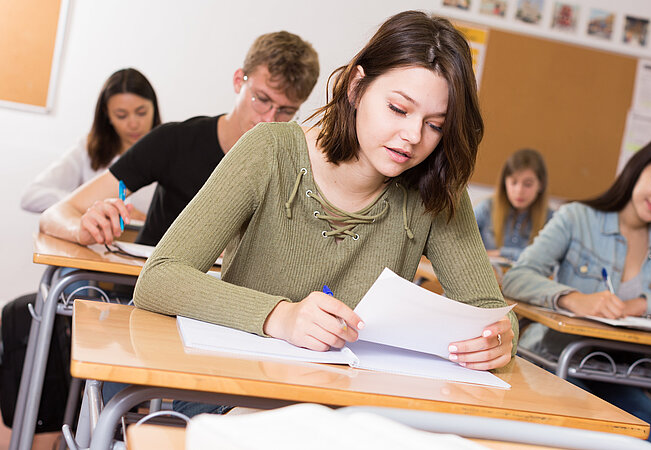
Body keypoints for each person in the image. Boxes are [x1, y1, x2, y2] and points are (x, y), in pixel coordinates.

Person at [133, 11, 517, 377]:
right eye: (398, 109)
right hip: (235, 382)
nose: (414, 137)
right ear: (356, 87)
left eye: (435, 125)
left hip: (348, 402)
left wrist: (500, 338)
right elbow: (160, 277)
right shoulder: (270, 150)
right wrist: (280, 317)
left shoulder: (433, 188)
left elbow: (491, 310)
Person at [502, 133, 651, 447]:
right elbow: (517, 278)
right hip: (558, 361)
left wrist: (645, 303)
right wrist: (574, 299)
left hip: (624, 374)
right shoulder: (577, 218)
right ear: (638, 168)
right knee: (578, 436)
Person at [39, 31, 320, 247]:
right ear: (239, 80)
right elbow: (56, 213)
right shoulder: (175, 142)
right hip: (144, 299)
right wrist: (81, 228)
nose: (268, 120)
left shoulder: (294, 167)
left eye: (286, 111)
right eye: (262, 99)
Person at [21, 68, 161, 216]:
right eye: (121, 115)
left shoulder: (169, 153)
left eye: (141, 113)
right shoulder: (89, 149)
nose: (133, 124)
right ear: (107, 115)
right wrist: (87, 204)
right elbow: (31, 196)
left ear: (154, 108)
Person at [474, 148, 551, 261]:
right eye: (514, 182)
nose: (519, 191)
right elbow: (457, 242)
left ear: (541, 185)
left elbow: (546, 259)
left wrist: (500, 253)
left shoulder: (551, 220)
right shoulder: (486, 208)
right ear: (505, 183)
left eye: (528, 184)